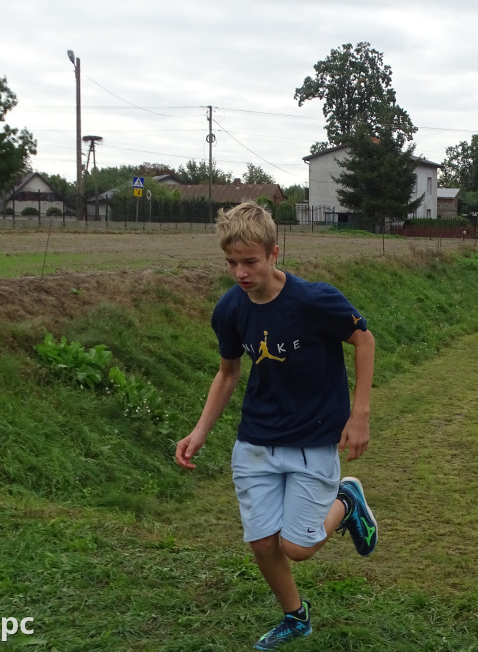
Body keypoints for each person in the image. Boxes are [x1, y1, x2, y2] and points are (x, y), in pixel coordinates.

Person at [174, 202, 378, 650]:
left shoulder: (313, 300)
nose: (241, 273)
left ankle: (346, 499)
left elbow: (364, 338)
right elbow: (228, 372)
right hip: (256, 441)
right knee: (263, 543)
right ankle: (295, 617)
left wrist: (358, 413)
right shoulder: (230, 309)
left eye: (250, 262)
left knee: (297, 548)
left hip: (312, 438)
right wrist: (200, 431)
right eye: (232, 263)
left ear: (274, 254)